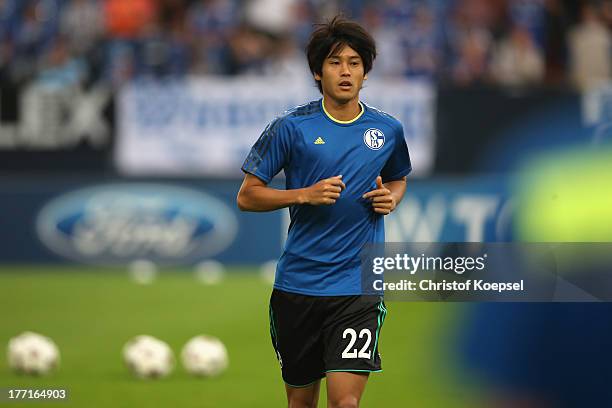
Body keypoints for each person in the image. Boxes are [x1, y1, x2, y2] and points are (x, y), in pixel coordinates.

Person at [237, 16, 411, 408]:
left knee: (344, 403)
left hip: (357, 285)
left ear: (366, 71)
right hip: (297, 285)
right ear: (317, 72)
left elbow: (398, 178)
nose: (345, 71)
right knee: (301, 403)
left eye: (354, 62)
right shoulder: (290, 128)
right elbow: (247, 196)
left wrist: (393, 198)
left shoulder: (388, 130)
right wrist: (303, 195)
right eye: (335, 62)